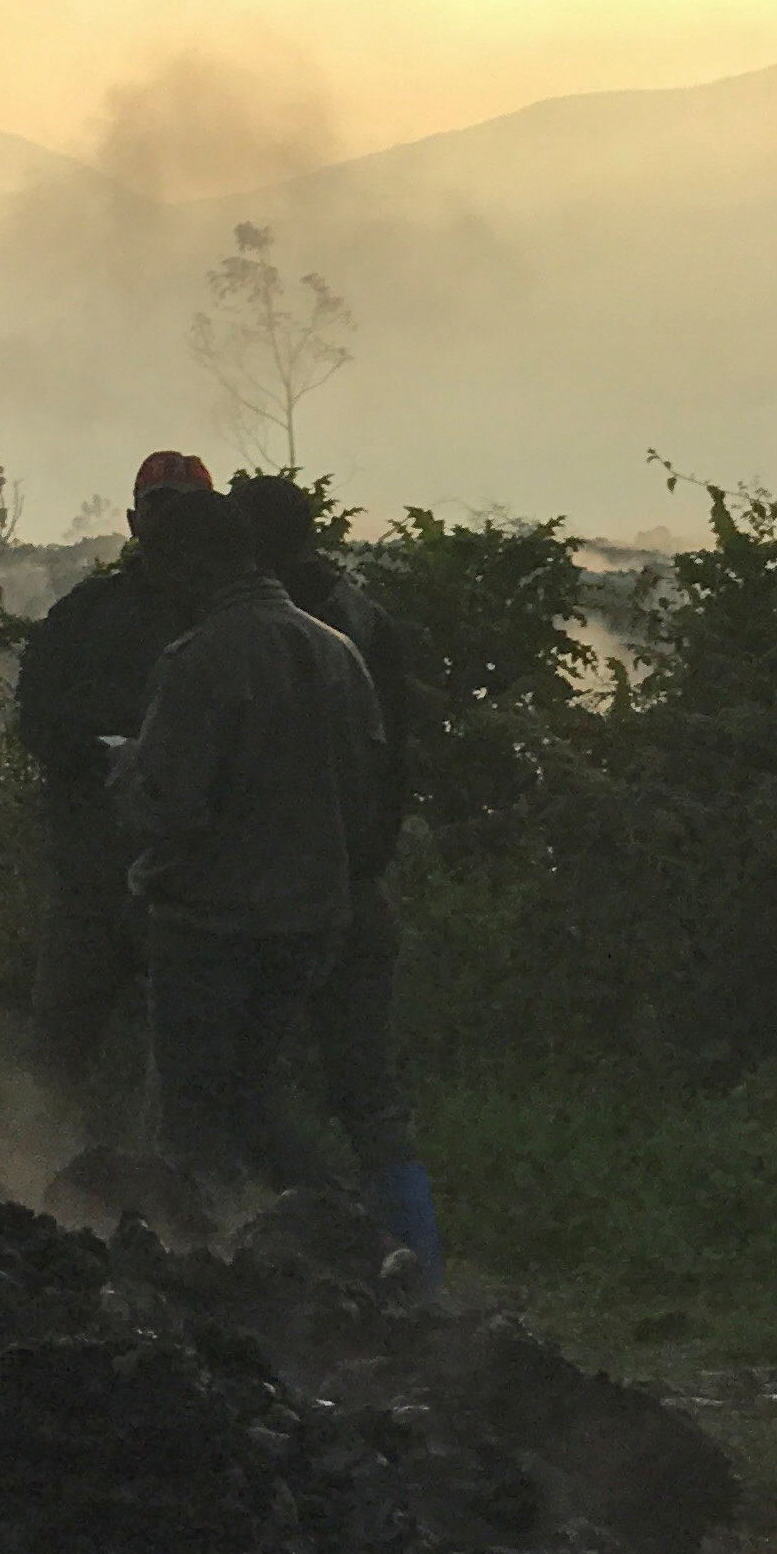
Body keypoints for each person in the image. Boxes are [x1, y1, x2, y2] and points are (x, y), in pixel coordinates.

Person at [109, 482, 386, 1202]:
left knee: (195, 1118)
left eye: (163, 566)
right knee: (254, 1100)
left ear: (192, 565)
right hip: (310, 919)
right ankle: (333, 1234)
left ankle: (216, 1254)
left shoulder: (201, 660)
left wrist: (126, 767)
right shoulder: (339, 654)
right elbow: (366, 797)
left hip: (211, 922)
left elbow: (169, 803)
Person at [229, 471, 439, 1280]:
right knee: (370, 1096)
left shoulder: (253, 627)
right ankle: (416, 1272)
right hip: (354, 879)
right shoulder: (361, 617)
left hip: (272, 895)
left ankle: (350, 1246)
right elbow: (394, 764)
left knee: (230, 1089)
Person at [11, 450, 217, 1123]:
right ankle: (24, 1192)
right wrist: (105, 748)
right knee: (55, 1061)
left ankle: (175, 1205)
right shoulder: (86, 616)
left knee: (186, 1075)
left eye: (187, 514)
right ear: (135, 520)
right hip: (93, 878)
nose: (171, 529)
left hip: (194, 888)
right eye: (161, 512)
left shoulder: (228, 621)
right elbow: (35, 721)